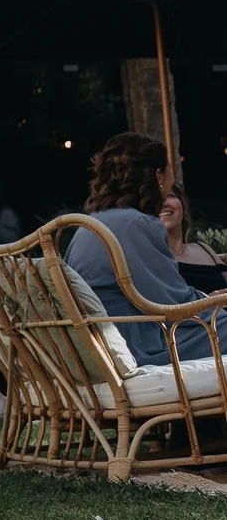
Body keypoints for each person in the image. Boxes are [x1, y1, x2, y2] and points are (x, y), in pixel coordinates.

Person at [68, 133, 224, 365]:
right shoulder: (137, 224)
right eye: (170, 169)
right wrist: (212, 301)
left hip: (104, 346)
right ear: (159, 176)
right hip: (144, 347)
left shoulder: (89, 225)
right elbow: (172, 304)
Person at [163, 190, 226, 294]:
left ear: (183, 205)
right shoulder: (152, 258)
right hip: (206, 309)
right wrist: (207, 302)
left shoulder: (203, 248)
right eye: (157, 198)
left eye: (170, 195)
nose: (164, 203)